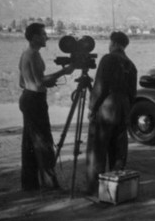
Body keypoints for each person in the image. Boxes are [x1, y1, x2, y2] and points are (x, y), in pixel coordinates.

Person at [18, 22, 74, 192]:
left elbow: (22, 82)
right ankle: (49, 183)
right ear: (35, 37)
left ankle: (30, 183)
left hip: (28, 98)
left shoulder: (26, 53)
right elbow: (40, 81)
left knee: (29, 143)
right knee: (44, 142)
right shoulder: (34, 55)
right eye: (43, 34)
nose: (46, 37)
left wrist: (44, 83)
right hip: (35, 101)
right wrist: (63, 72)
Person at [86, 31, 137, 195]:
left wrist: (92, 108)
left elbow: (100, 87)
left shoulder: (108, 59)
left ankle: (94, 188)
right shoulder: (131, 64)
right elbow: (133, 93)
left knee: (98, 149)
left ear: (114, 44)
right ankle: (115, 189)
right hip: (124, 108)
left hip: (108, 107)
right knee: (118, 150)